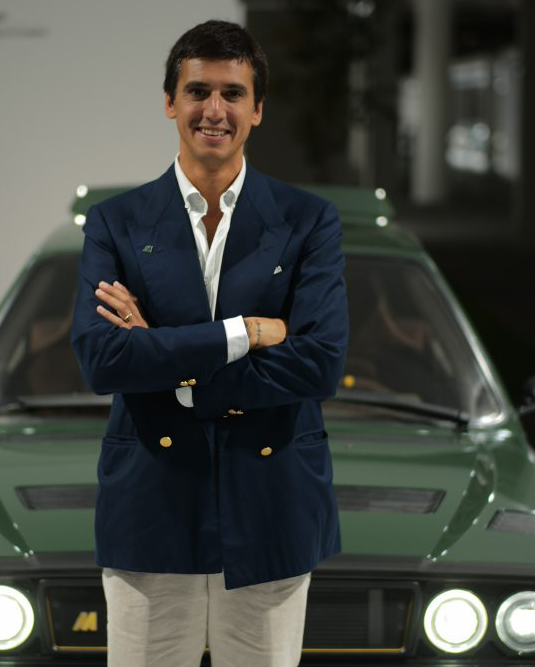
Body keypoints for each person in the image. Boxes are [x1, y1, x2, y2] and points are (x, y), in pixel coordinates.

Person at [70, 20, 348, 667]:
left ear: (258, 108)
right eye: (198, 91)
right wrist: (243, 333)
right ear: (171, 102)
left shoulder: (309, 220)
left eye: (232, 93)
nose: (214, 110)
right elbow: (103, 359)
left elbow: (319, 362)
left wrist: (166, 359)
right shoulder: (115, 221)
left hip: (271, 503)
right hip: (151, 503)